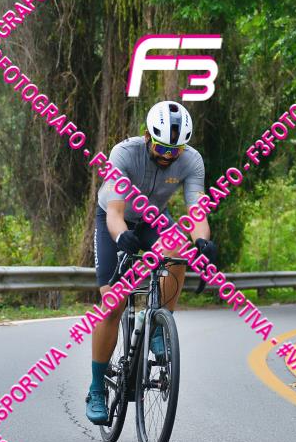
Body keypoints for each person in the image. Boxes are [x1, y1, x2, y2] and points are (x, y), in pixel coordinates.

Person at [86, 101, 217, 424]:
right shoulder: (124, 153)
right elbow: (115, 213)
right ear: (147, 137)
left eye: (175, 150)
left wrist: (203, 242)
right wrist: (121, 236)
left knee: (180, 250)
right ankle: (97, 389)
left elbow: (197, 211)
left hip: (151, 218)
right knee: (112, 305)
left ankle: (158, 323)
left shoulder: (192, 160)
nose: (168, 156)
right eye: (162, 148)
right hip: (114, 219)